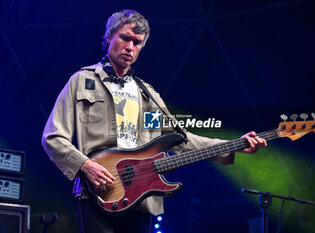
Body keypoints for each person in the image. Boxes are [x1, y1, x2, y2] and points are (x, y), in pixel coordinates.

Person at [41, 9, 267, 233]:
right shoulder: (82, 81)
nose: (130, 47)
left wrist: (235, 146)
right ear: (109, 37)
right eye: (125, 38)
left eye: (137, 42)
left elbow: (181, 140)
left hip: (141, 197)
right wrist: (86, 165)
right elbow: (53, 136)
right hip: (97, 193)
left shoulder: (146, 94)